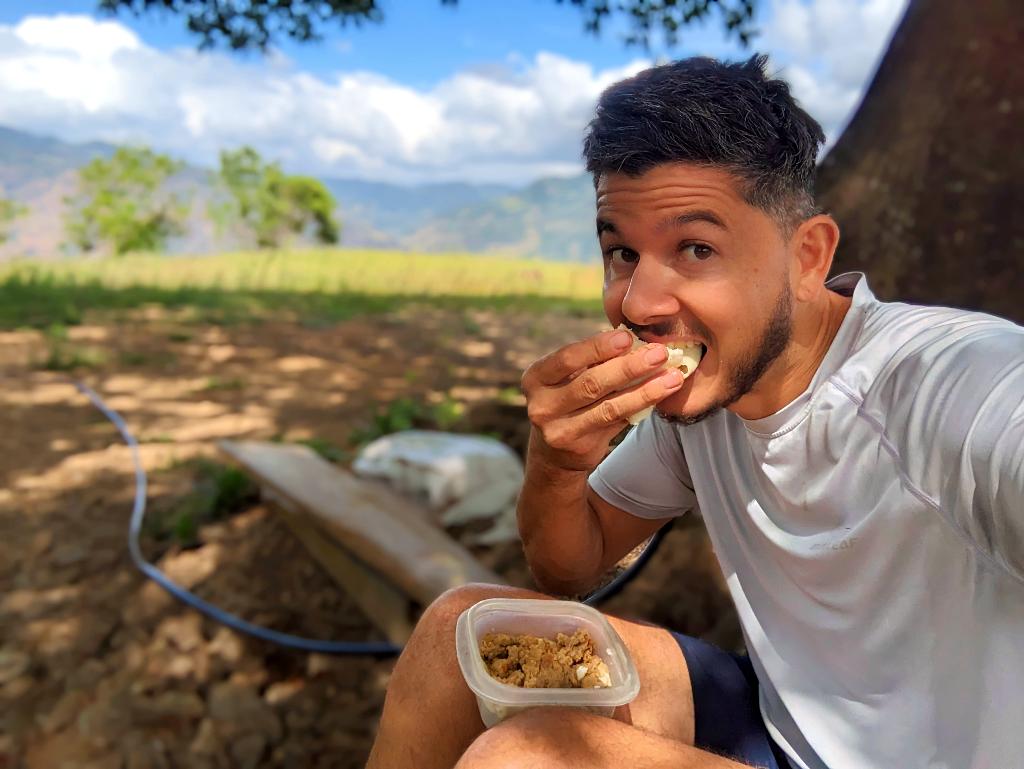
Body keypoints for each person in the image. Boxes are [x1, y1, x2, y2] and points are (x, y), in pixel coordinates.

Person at [365, 55, 1024, 769]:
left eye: (696, 247)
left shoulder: (949, 382)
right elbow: (570, 565)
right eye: (621, 250)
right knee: (456, 631)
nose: (639, 304)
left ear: (807, 257)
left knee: (522, 758)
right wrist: (557, 464)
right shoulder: (708, 397)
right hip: (778, 724)